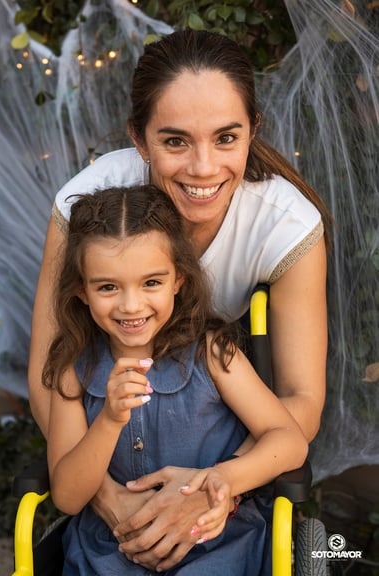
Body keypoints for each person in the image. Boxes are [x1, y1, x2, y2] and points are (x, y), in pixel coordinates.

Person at [29, 29, 331, 571]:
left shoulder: (284, 227)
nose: (202, 168)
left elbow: (299, 405)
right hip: (109, 493)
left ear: (252, 131)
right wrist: (114, 500)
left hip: (212, 472)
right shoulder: (89, 209)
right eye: (174, 141)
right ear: (139, 141)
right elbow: (46, 378)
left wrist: (211, 489)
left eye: (225, 138)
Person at [45, 184, 308, 575]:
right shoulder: (74, 367)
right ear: (82, 290)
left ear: (179, 280)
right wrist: (109, 420)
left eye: (151, 282)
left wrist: (221, 479)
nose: (131, 305)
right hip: (112, 549)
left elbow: (288, 439)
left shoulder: (213, 353)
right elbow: (67, 495)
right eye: (107, 287)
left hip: (218, 542)